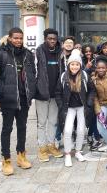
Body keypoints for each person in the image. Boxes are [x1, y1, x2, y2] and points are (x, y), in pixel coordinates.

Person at [0, 27, 36, 176]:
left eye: (20, 38)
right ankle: (6, 159)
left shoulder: (28, 55)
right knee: (7, 129)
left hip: (24, 99)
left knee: (22, 127)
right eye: (15, 38)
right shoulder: (0, 56)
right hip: (8, 99)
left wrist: (32, 91)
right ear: (9, 38)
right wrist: (2, 91)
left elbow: (32, 74)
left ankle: (21, 155)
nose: (18, 40)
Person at [55, 49, 95, 167]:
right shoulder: (63, 76)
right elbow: (58, 92)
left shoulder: (84, 75)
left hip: (82, 107)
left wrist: (89, 103)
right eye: (72, 64)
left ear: (80, 65)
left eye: (77, 64)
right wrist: (61, 105)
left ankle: (77, 151)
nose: (74, 66)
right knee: (67, 130)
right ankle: (68, 153)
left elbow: (92, 90)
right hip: (69, 108)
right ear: (69, 65)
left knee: (81, 130)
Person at [35, 28, 63, 162]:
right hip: (42, 93)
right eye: (49, 38)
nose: (52, 41)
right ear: (45, 38)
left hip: (55, 93)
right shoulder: (38, 52)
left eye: (54, 39)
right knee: (41, 122)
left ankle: (51, 145)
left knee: (53, 121)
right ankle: (42, 148)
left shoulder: (60, 53)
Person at [55, 36, 76, 148]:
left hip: (73, 89)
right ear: (63, 44)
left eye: (71, 43)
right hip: (60, 87)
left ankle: (71, 137)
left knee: (72, 116)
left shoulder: (76, 56)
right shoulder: (59, 55)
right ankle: (57, 138)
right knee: (60, 115)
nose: (69, 44)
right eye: (67, 42)